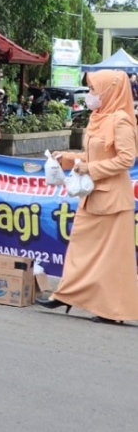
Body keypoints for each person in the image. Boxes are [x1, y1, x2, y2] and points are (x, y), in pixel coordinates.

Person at [37, 70, 138, 324]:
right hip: (92, 196)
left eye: (93, 90)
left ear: (109, 91)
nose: (90, 95)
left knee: (113, 258)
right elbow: (91, 156)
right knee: (79, 247)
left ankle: (113, 312)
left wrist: (91, 169)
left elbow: (127, 159)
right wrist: (68, 159)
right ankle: (67, 294)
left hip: (113, 200)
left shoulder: (121, 120)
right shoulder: (98, 118)